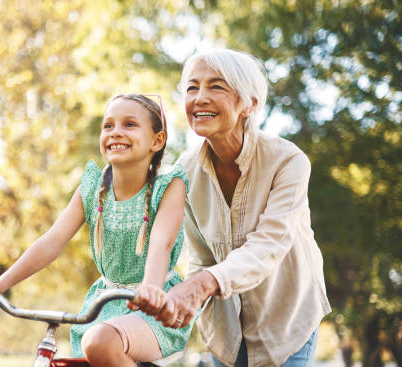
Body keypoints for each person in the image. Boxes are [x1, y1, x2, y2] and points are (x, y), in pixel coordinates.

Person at [0, 94, 193, 366]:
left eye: (129, 124)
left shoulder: (168, 187)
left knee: (100, 342)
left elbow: (161, 243)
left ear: (157, 140)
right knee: (93, 344)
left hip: (152, 310)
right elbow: (51, 242)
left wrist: (151, 290)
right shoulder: (93, 189)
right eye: (108, 126)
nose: (116, 132)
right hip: (103, 307)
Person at [140, 48, 331, 366]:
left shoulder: (287, 161)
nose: (200, 97)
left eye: (216, 86)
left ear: (250, 104)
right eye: (192, 87)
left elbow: (268, 246)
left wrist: (200, 285)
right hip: (226, 332)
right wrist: (180, 301)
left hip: (286, 323)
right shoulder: (184, 173)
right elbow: (201, 258)